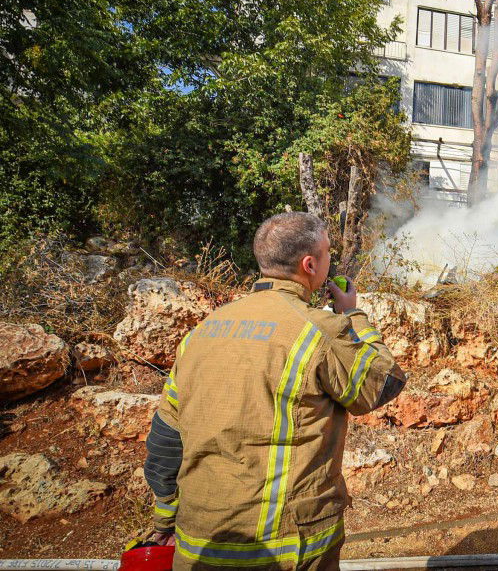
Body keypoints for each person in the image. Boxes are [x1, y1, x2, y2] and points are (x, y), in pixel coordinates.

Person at [142, 212, 406, 570]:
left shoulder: (203, 331)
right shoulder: (319, 332)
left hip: (201, 544)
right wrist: (353, 315)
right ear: (310, 264)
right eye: (328, 253)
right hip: (287, 548)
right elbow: (382, 383)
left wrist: (165, 522)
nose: (330, 260)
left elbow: (165, 439)